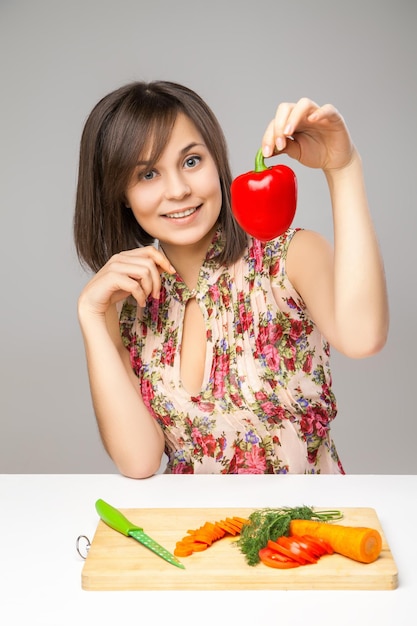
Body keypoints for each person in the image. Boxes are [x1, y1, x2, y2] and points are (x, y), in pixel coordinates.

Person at [73, 81, 389, 478]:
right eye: (149, 174)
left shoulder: (286, 256)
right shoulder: (132, 307)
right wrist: (90, 313)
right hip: (199, 536)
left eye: (191, 161)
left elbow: (364, 337)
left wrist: (342, 168)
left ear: (216, 160)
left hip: (304, 532)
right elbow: (139, 461)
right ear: (121, 192)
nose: (179, 190)